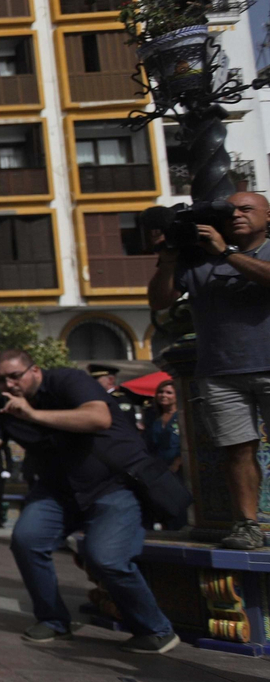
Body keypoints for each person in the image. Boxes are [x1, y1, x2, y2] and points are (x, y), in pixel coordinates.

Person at [0, 349, 178, 654]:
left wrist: (33, 414)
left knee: (106, 558)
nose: (8, 385)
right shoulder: (4, 407)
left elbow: (99, 417)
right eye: (1, 380)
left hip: (112, 485)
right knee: (27, 539)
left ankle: (155, 629)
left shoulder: (67, 381)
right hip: (57, 491)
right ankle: (53, 620)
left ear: (34, 371)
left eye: (15, 376)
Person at [149, 191, 270, 550]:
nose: (237, 215)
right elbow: (159, 300)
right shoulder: (198, 259)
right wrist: (168, 259)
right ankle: (247, 524)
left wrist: (226, 253)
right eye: (231, 211)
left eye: (247, 209)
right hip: (220, 371)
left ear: (268, 216)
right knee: (237, 450)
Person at [144, 380, 183, 477]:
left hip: (179, 466)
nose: (163, 395)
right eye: (160, 392)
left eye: (169, 393)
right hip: (158, 466)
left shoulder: (182, 416)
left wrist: (177, 463)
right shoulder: (153, 416)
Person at [88, 363, 142, 430]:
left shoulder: (120, 399)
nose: (93, 383)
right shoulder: (97, 397)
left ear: (110, 380)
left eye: (96, 379)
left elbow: (127, 423)